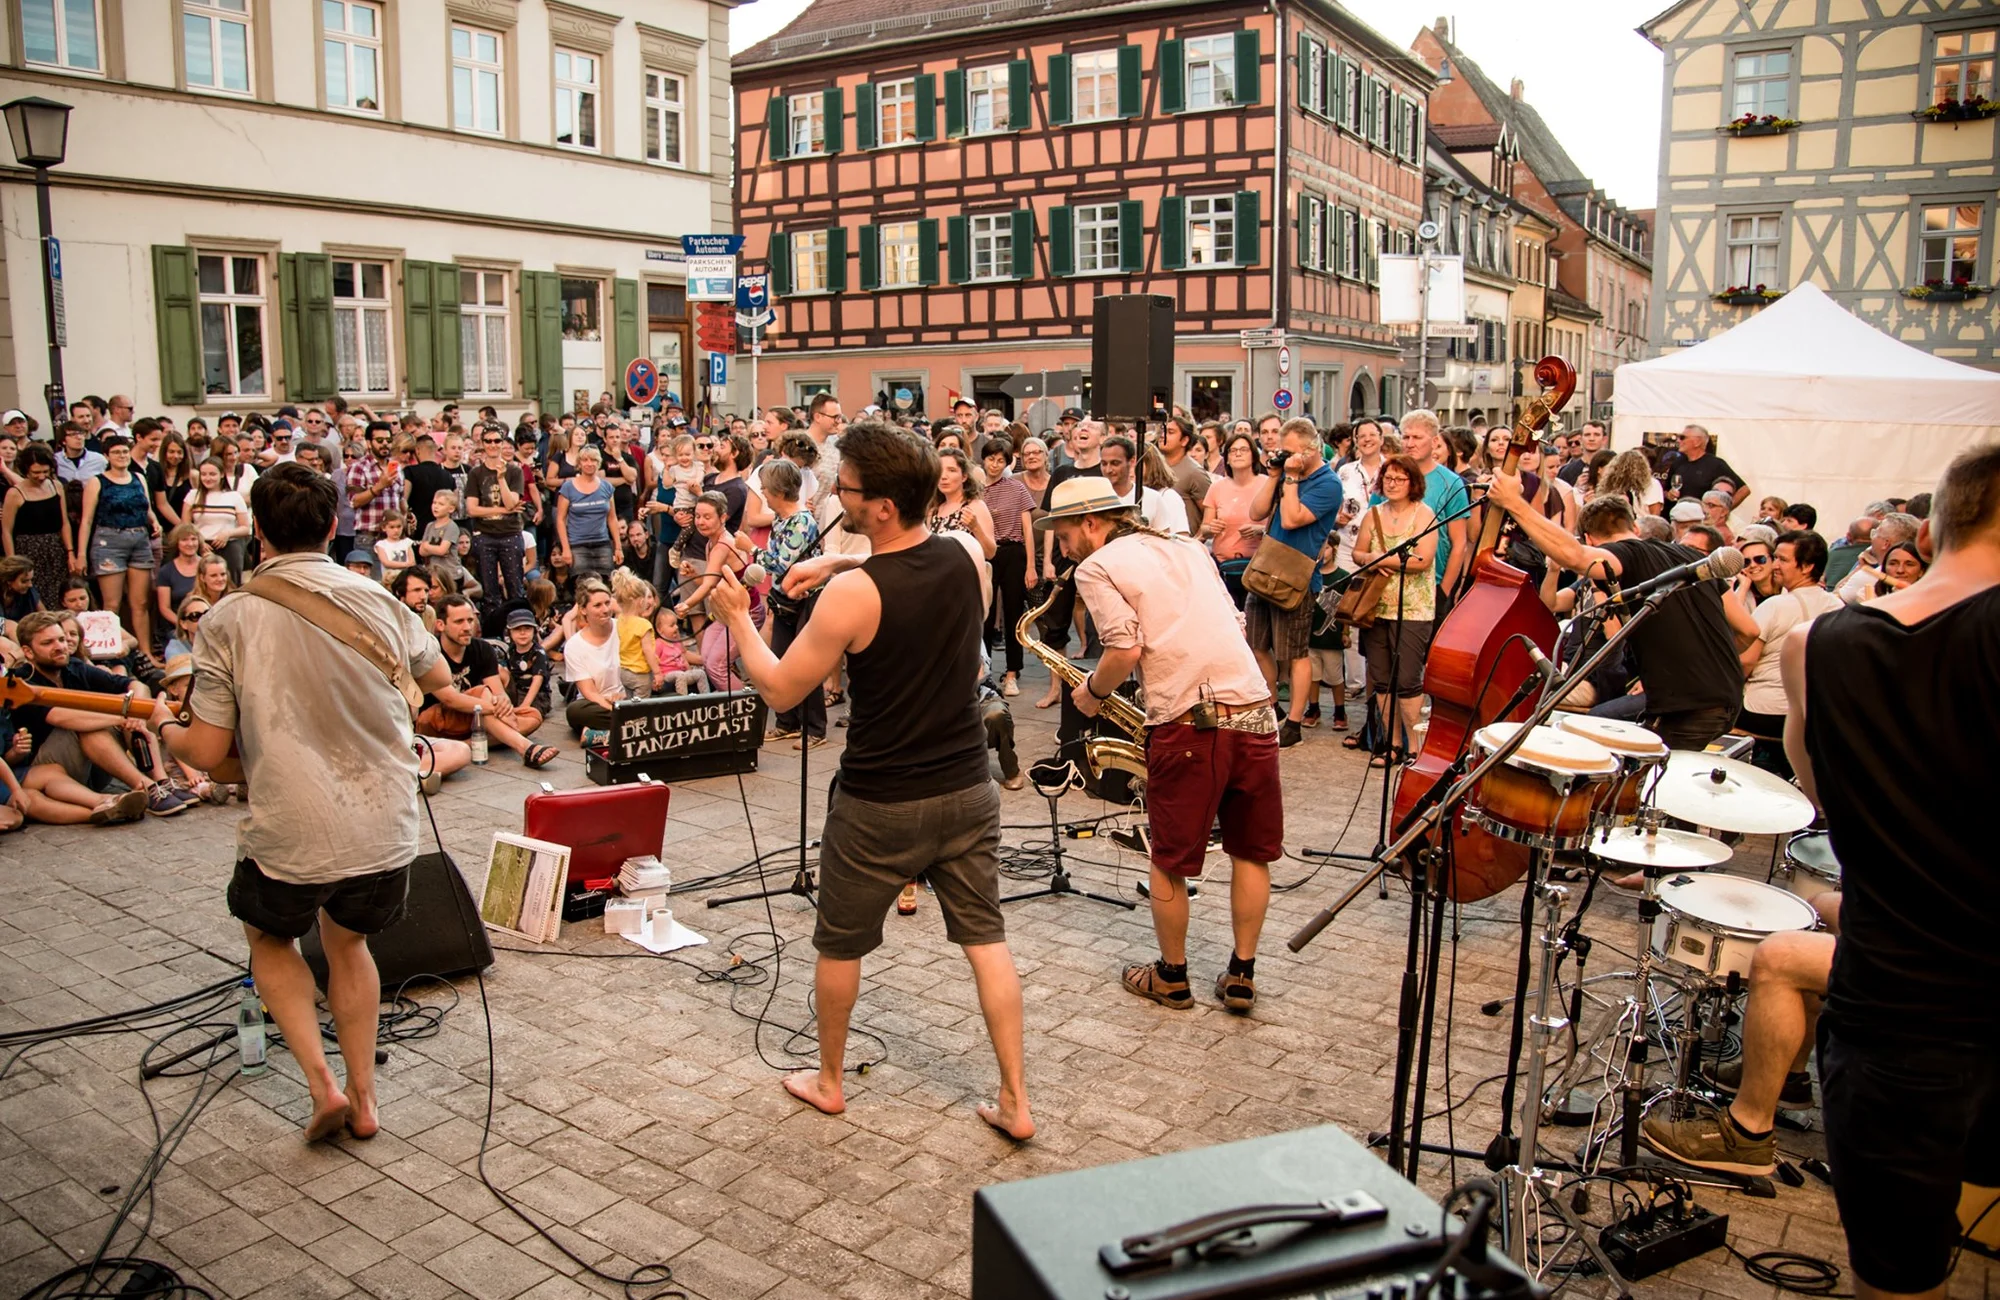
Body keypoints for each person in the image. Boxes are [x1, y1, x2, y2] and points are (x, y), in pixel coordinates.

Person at [706, 420, 1034, 1140]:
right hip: (967, 789)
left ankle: (829, 1082)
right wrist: (829, 568)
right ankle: (1016, 1100)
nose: (837, 498)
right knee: (988, 941)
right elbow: (902, 573)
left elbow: (782, 690)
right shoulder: (961, 556)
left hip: (880, 800)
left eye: (847, 490)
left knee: (840, 944)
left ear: (882, 505)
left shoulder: (853, 599)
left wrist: (738, 619)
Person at [158, 462, 453, 1142]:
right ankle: (366, 1099)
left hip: (292, 825)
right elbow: (438, 676)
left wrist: (159, 724)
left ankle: (320, 1086)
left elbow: (203, 754)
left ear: (256, 533)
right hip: (382, 820)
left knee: (270, 937)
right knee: (349, 945)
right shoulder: (376, 597)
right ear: (331, 527)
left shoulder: (229, 618)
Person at [1776, 443, 2000, 1300]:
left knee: (1896, 1280)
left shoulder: (1816, 647)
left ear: (1938, 522)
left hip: (1896, 1006)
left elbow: (1824, 793)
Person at [1044, 476, 1281, 1013]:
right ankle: (1241, 974)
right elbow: (1234, 621)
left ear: (1091, 522)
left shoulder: (1097, 565)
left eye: (1062, 533)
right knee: (1251, 850)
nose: (1061, 546)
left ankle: (1172, 976)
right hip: (1254, 708)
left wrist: (1091, 693)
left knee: (1169, 858)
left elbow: (1125, 649)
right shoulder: (1190, 546)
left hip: (1189, 720)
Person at [1484, 484, 1741, 751]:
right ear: (1635, 527)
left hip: (1687, 706)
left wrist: (1514, 502)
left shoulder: (1628, 554)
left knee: (1650, 784)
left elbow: (1576, 556)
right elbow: (1748, 629)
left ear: (1591, 540)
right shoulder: (1690, 557)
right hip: (1727, 695)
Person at [6, 611, 180, 822]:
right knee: (89, 727)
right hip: (49, 770)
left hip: (91, 767)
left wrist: (135, 715)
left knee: (131, 717)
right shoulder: (20, 681)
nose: (60, 646)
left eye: (61, 639)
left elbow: (135, 685)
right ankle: (146, 787)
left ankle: (161, 782)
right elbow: (61, 717)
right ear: (28, 652)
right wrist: (120, 716)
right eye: (48, 643)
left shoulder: (74, 667)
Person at [1244, 418, 1342, 748]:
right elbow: (1256, 512)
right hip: (1265, 567)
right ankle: (1272, 707)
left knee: (1296, 652)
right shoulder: (1285, 476)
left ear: (1312, 450)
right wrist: (1274, 476)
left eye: (1290, 451)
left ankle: (1295, 723)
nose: (1284, 456)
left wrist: (1291, 478)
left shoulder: (1328, 484)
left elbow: (1292, 518)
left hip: (1297, 576)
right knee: (1257, 644)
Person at [1350, 455, 1439, 766]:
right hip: (1376, 608)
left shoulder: (1424, 515)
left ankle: (1415, 746)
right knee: (1383, 678)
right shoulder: (1373, 514)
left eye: (1400, 479)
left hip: (1413, 610)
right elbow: (1359, 553)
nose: (1393, 483)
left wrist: (1381, 559)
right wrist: (1370, 557)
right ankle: (1392, 742)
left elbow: (1422, 561)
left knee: (1409, 680)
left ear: (1413, 483)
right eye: (1388, 478)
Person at [1734, 531, 1839, 776]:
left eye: (1782, 559)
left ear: (1807, 567)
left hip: (1765, 712)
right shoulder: (1837, 606)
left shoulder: (1775, 605)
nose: (1775, 566)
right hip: (1813, 712)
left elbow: (1746, 663)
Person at [415, 595, 555, 768]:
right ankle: (525, 748)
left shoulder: (483, 649)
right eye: (459, 622)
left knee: (533, 715)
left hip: (474, 720)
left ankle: (468, 745)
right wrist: (493, 706)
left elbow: (498, 692)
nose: (467, 627)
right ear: (441, 625)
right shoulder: (431, 653)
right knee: (482, 693)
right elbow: (450, 699)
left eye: (470, 620)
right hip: (435, 721)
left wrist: (502, 702)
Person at [76, 435, 161, 662]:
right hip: (109, 541)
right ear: (107, 456)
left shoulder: (138, 477)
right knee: (111, 604)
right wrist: (80, 554)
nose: (122, 456)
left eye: (125, 452)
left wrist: (154, 521)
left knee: (141, 602)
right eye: (116, 453)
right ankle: (110, 652)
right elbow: (86, 520)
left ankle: (146, 652)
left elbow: (147, 507)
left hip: (139, 539)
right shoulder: (97, 481)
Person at [979, 439, 1036, 697]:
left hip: (1013, 551)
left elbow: (1027, 528)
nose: (995, 464)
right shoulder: (976, 489)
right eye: (991, 458)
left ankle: (1013, 671)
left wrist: (1031, 566)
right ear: (983, 459)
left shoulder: (1017, 488)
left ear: (1007, 462)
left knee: (1014, 612)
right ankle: (985, 669)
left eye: (1000, 460)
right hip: (985, 552)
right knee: (985, 613)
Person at [1396, 411, 1471, 602]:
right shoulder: (1389, 477)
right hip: (1390, 580)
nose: (1410, 443)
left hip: (1431, 585)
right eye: (1406, 437)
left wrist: (1444, 590)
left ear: (1435, 441)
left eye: (1417, 437)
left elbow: (1459, 542)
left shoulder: (1451, 483)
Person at [1201, 430, 1270, 609]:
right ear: (1227, 458)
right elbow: (1204, 528)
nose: (1237, 453)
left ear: (1254, 456)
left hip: (1259, 568)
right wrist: (1212, 527)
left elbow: (1279, 525)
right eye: (1232, 450)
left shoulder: (1267, 484)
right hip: (1225, 568)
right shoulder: (1217, 488)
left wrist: (1260, 530)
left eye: (1243, 450)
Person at [3, 443, 73, 612]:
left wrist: (70, 552)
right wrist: (13, 563)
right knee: (35, 597)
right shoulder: (15, 493)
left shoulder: (56, 486)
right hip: (28, 551)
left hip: (55, 549)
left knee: (58, 594)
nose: (41, 476)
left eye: (45, 472)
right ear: (26, 470)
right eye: (36, 473)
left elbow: (64, 522)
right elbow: (6, 530)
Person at [464, 425, 526, 616]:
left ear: (503, 443)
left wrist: (500, 478)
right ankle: (493, 629)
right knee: (489, 592)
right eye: (488, 441)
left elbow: (511, 501)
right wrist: (504, 510)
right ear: (482, 444)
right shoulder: (475, 473)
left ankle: (519, 626)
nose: (493, 445)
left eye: (497, 441)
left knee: (515, 587)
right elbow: (472, 509)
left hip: (510, 533)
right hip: (485, 535)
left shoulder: (514, 471)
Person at [560, 578, 625, 740]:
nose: (605, 610)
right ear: (583, 609)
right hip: (598, 703)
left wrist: (624, 698)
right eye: (597, 605)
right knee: (575, 711)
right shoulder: (574, 645)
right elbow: (588, 691)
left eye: (607, 603)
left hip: (629, 696)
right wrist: (613, 707)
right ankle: (634, 725)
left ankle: (606, 733)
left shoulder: (625, 627)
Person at [556, 446, 620, 581]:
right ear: (579, 463)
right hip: (578, 545)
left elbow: (612, 519)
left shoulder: (606, 487)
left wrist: (618, 547)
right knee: (582, 588)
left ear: (598, 463)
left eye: (593, 460)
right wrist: (566, 549)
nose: (589, 463)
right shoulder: (568, 487)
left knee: (605, 586)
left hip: (602, 543)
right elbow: (561, 520)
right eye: (585, 460)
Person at [343, 421, 404, 554]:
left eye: (388, 440)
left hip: (394, 537)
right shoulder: (358, 467)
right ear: (369, 443)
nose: (385, 444)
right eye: (380, 440)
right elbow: (354, 501)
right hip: (369, 537)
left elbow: (401, 497)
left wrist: (407, 515)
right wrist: (379, 486)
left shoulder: (396, 467)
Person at [1662, 425, 1748, 508]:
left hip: (1701, 520)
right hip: (1677, 516)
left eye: (1682, 437)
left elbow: (1744, 490)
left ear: (1697, 442)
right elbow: (1666, 490)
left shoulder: (1716, 464)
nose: (1678, 441)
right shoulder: (1677, 462)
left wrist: (1723, 512)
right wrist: (1669, 494)